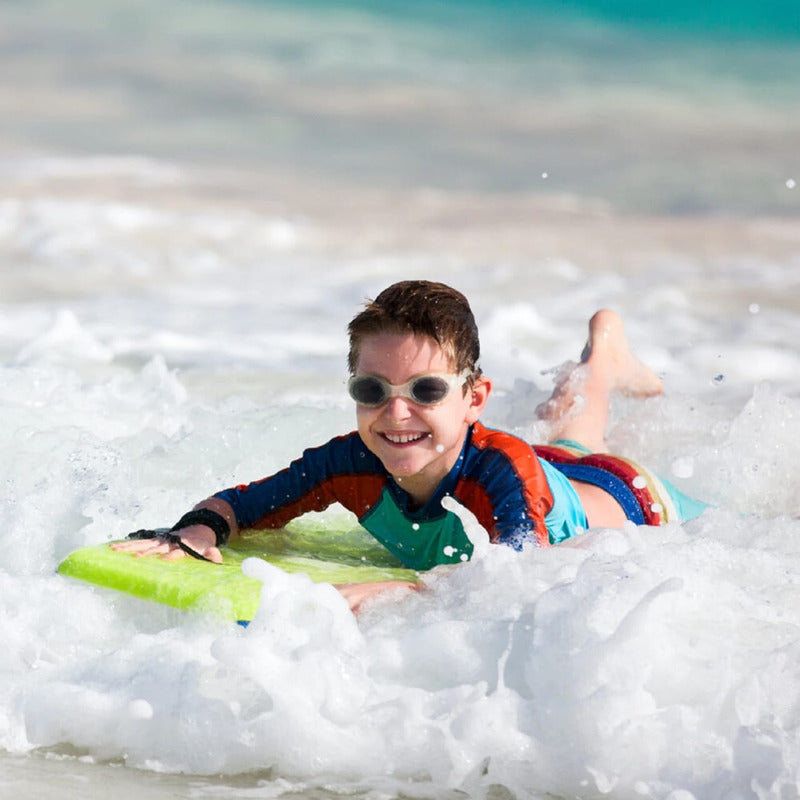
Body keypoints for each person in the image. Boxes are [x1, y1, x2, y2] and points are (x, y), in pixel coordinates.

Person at [112, 280, 706, 613]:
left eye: (425, 389)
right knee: (571, 434)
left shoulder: (501, 471)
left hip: (630, 497)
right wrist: (195, 531)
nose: (396, 414)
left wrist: (409, 589)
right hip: (552, 473)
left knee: (579, 441)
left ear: (474, 398)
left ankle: (603, 358)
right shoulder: (351, 461)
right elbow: (247, 502)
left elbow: (521, 577)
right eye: (373, 390)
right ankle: (604, 357)